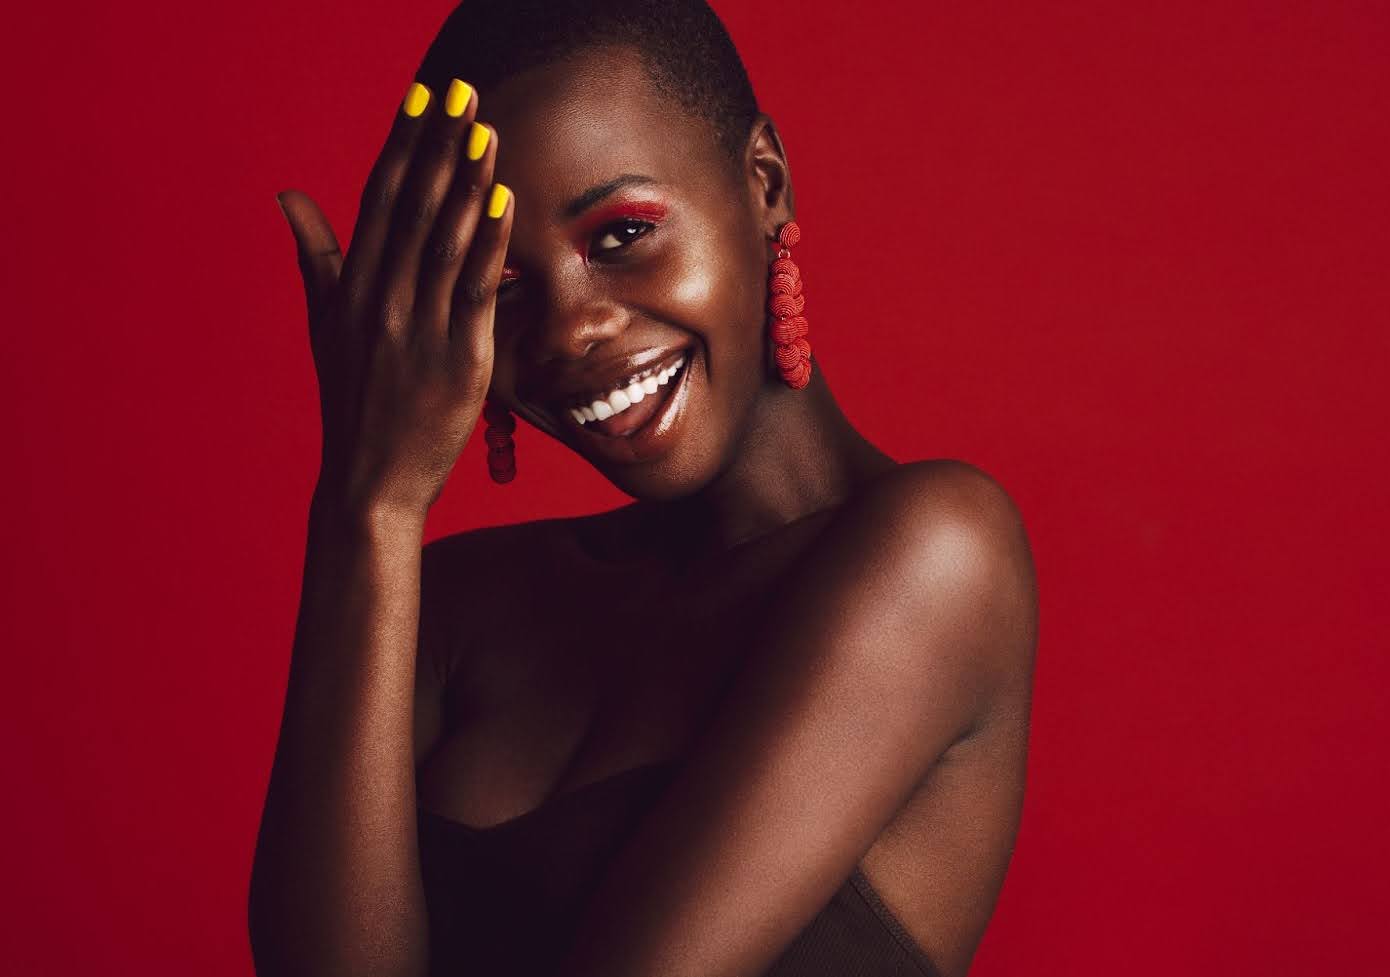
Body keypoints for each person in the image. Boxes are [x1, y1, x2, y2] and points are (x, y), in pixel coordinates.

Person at [248, 2, 1038, 975]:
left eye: (620, 234)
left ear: (765, 183)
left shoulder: (935, 552)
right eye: (499, 285)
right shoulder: (451, 609)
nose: (569, 329)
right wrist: (369, 502)